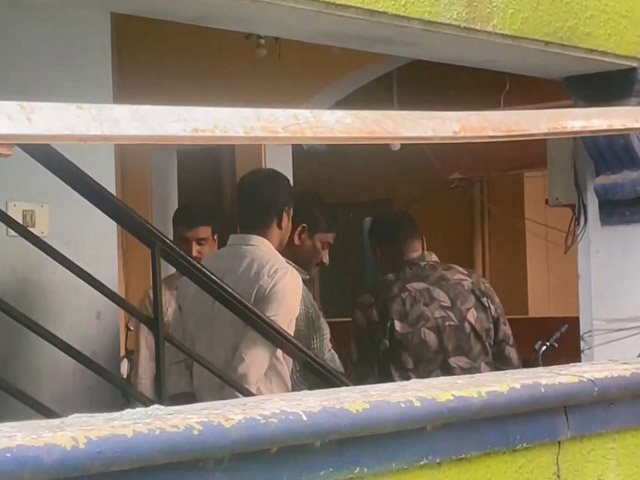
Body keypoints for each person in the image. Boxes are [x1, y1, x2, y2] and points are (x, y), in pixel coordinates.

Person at [174, 168, 303, 401]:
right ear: (285, 217)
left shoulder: (195, 275)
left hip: (201, 412)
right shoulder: (281, 275)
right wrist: (227, 419)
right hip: (257, 415)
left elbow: (176, 358)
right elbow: (248, 369)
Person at [351, 209, 520, 384]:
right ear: (424, 242)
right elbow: (510, 366)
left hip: (416, 402)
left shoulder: (372, 302)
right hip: (481, 400)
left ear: (377, 252)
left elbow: (365, 384)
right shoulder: (476, 284)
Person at [132, 204, 218, 402]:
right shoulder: (158, 296)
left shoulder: (231, 293)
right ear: (173, 242)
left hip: (223, 402)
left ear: (215, 242)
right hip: (176, 405)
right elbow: (145, 368)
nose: (192, 252)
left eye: (201, 242)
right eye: (184, 242)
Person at [282, 193, 344, 390]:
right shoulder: (295, 292)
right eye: (324, 246)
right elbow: (330, 374)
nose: (326, 259)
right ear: (300, 234)